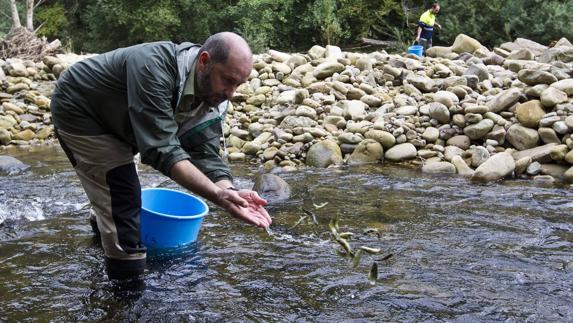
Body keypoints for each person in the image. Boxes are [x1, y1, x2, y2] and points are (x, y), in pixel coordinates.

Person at [50, 32, 272, 281]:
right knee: (123, 195)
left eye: (238, 85)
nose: (231, 93)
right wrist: (218, 197)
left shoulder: (215, 96)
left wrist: (230, 190)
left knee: (117, 198)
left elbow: (203, 151)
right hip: (81, 110)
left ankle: (103, 229)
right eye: (228, 80)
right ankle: (125, 292)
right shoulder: (153, 66)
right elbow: (160, 149)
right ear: (204, 61)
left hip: (124, 119)